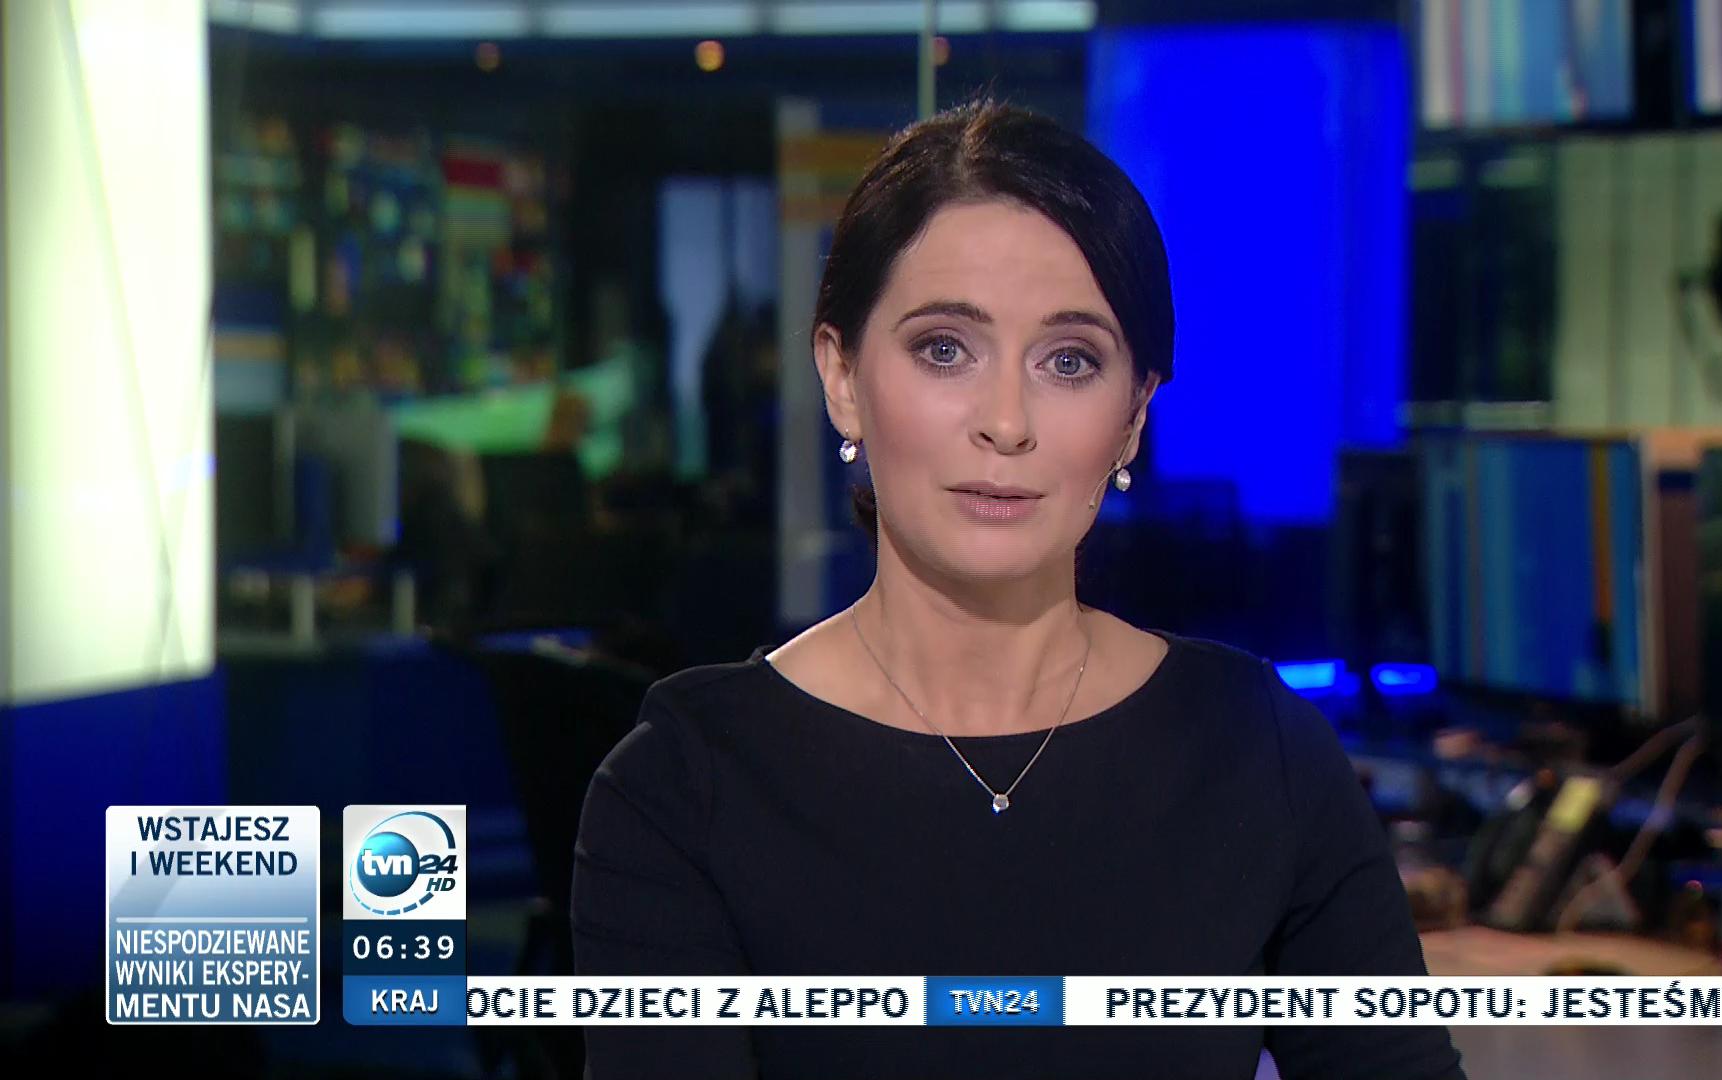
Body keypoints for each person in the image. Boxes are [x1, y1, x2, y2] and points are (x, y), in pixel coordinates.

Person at [573, 99, 1466, 1080]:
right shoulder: (683, 788)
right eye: (944, 348)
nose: (1006, 421)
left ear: (1133, 417)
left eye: (1069, 361)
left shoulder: (1258, 750)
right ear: (842, 377)